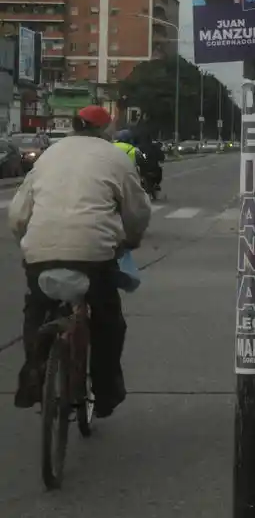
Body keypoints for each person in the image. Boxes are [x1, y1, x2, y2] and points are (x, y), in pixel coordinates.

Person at [9, 105, 152, 416]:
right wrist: (131, 239)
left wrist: (26, 241)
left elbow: (18, 214)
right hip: (93, 255)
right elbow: (138, 211)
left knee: (37, 308)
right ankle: (105, 392)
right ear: (105, 130)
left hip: (40, 252)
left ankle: (34, 368)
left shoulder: (49, 156)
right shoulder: (115, 157)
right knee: (107, 321)